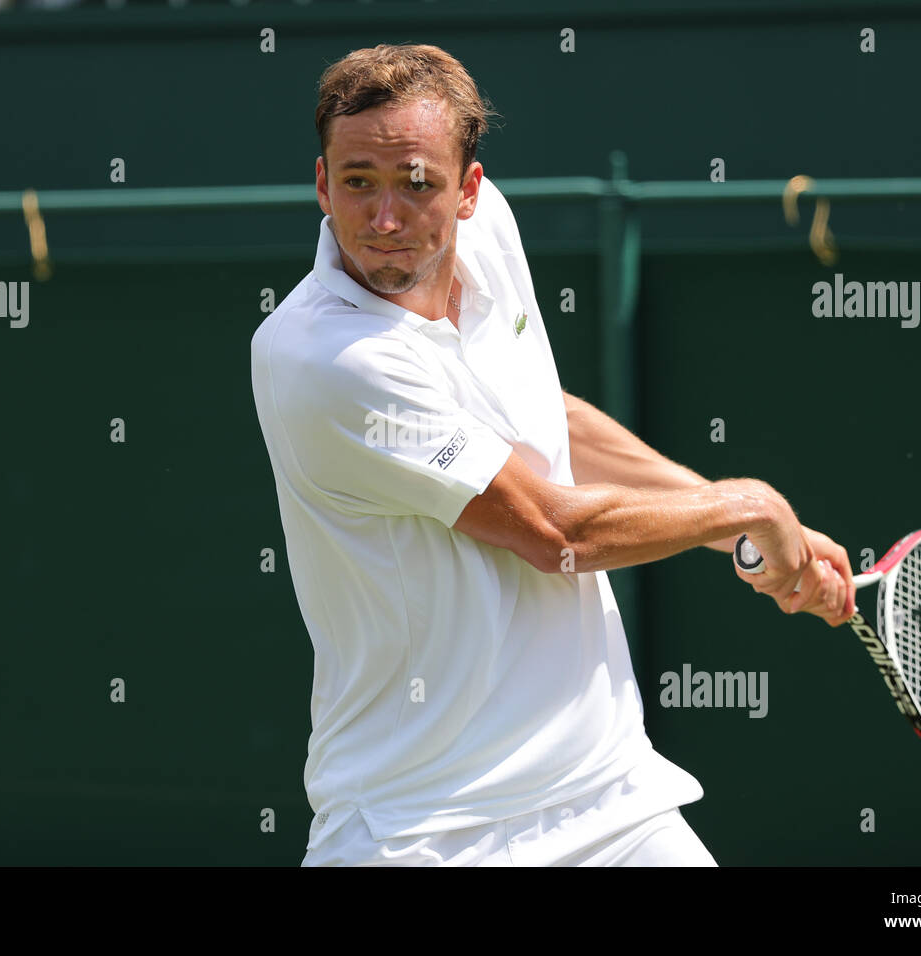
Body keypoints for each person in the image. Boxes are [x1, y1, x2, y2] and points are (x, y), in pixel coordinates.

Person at [250, 43, 856, 866]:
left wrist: (725, 529)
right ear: (322, 185)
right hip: (424, 829)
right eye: (357, 182)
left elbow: (542, 421)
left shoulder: (491, 233)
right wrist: (750, 508)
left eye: (417, 183)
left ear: (470, 191)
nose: (385, 219)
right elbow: (552, 533)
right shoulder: (325, 360)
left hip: (606, 797)